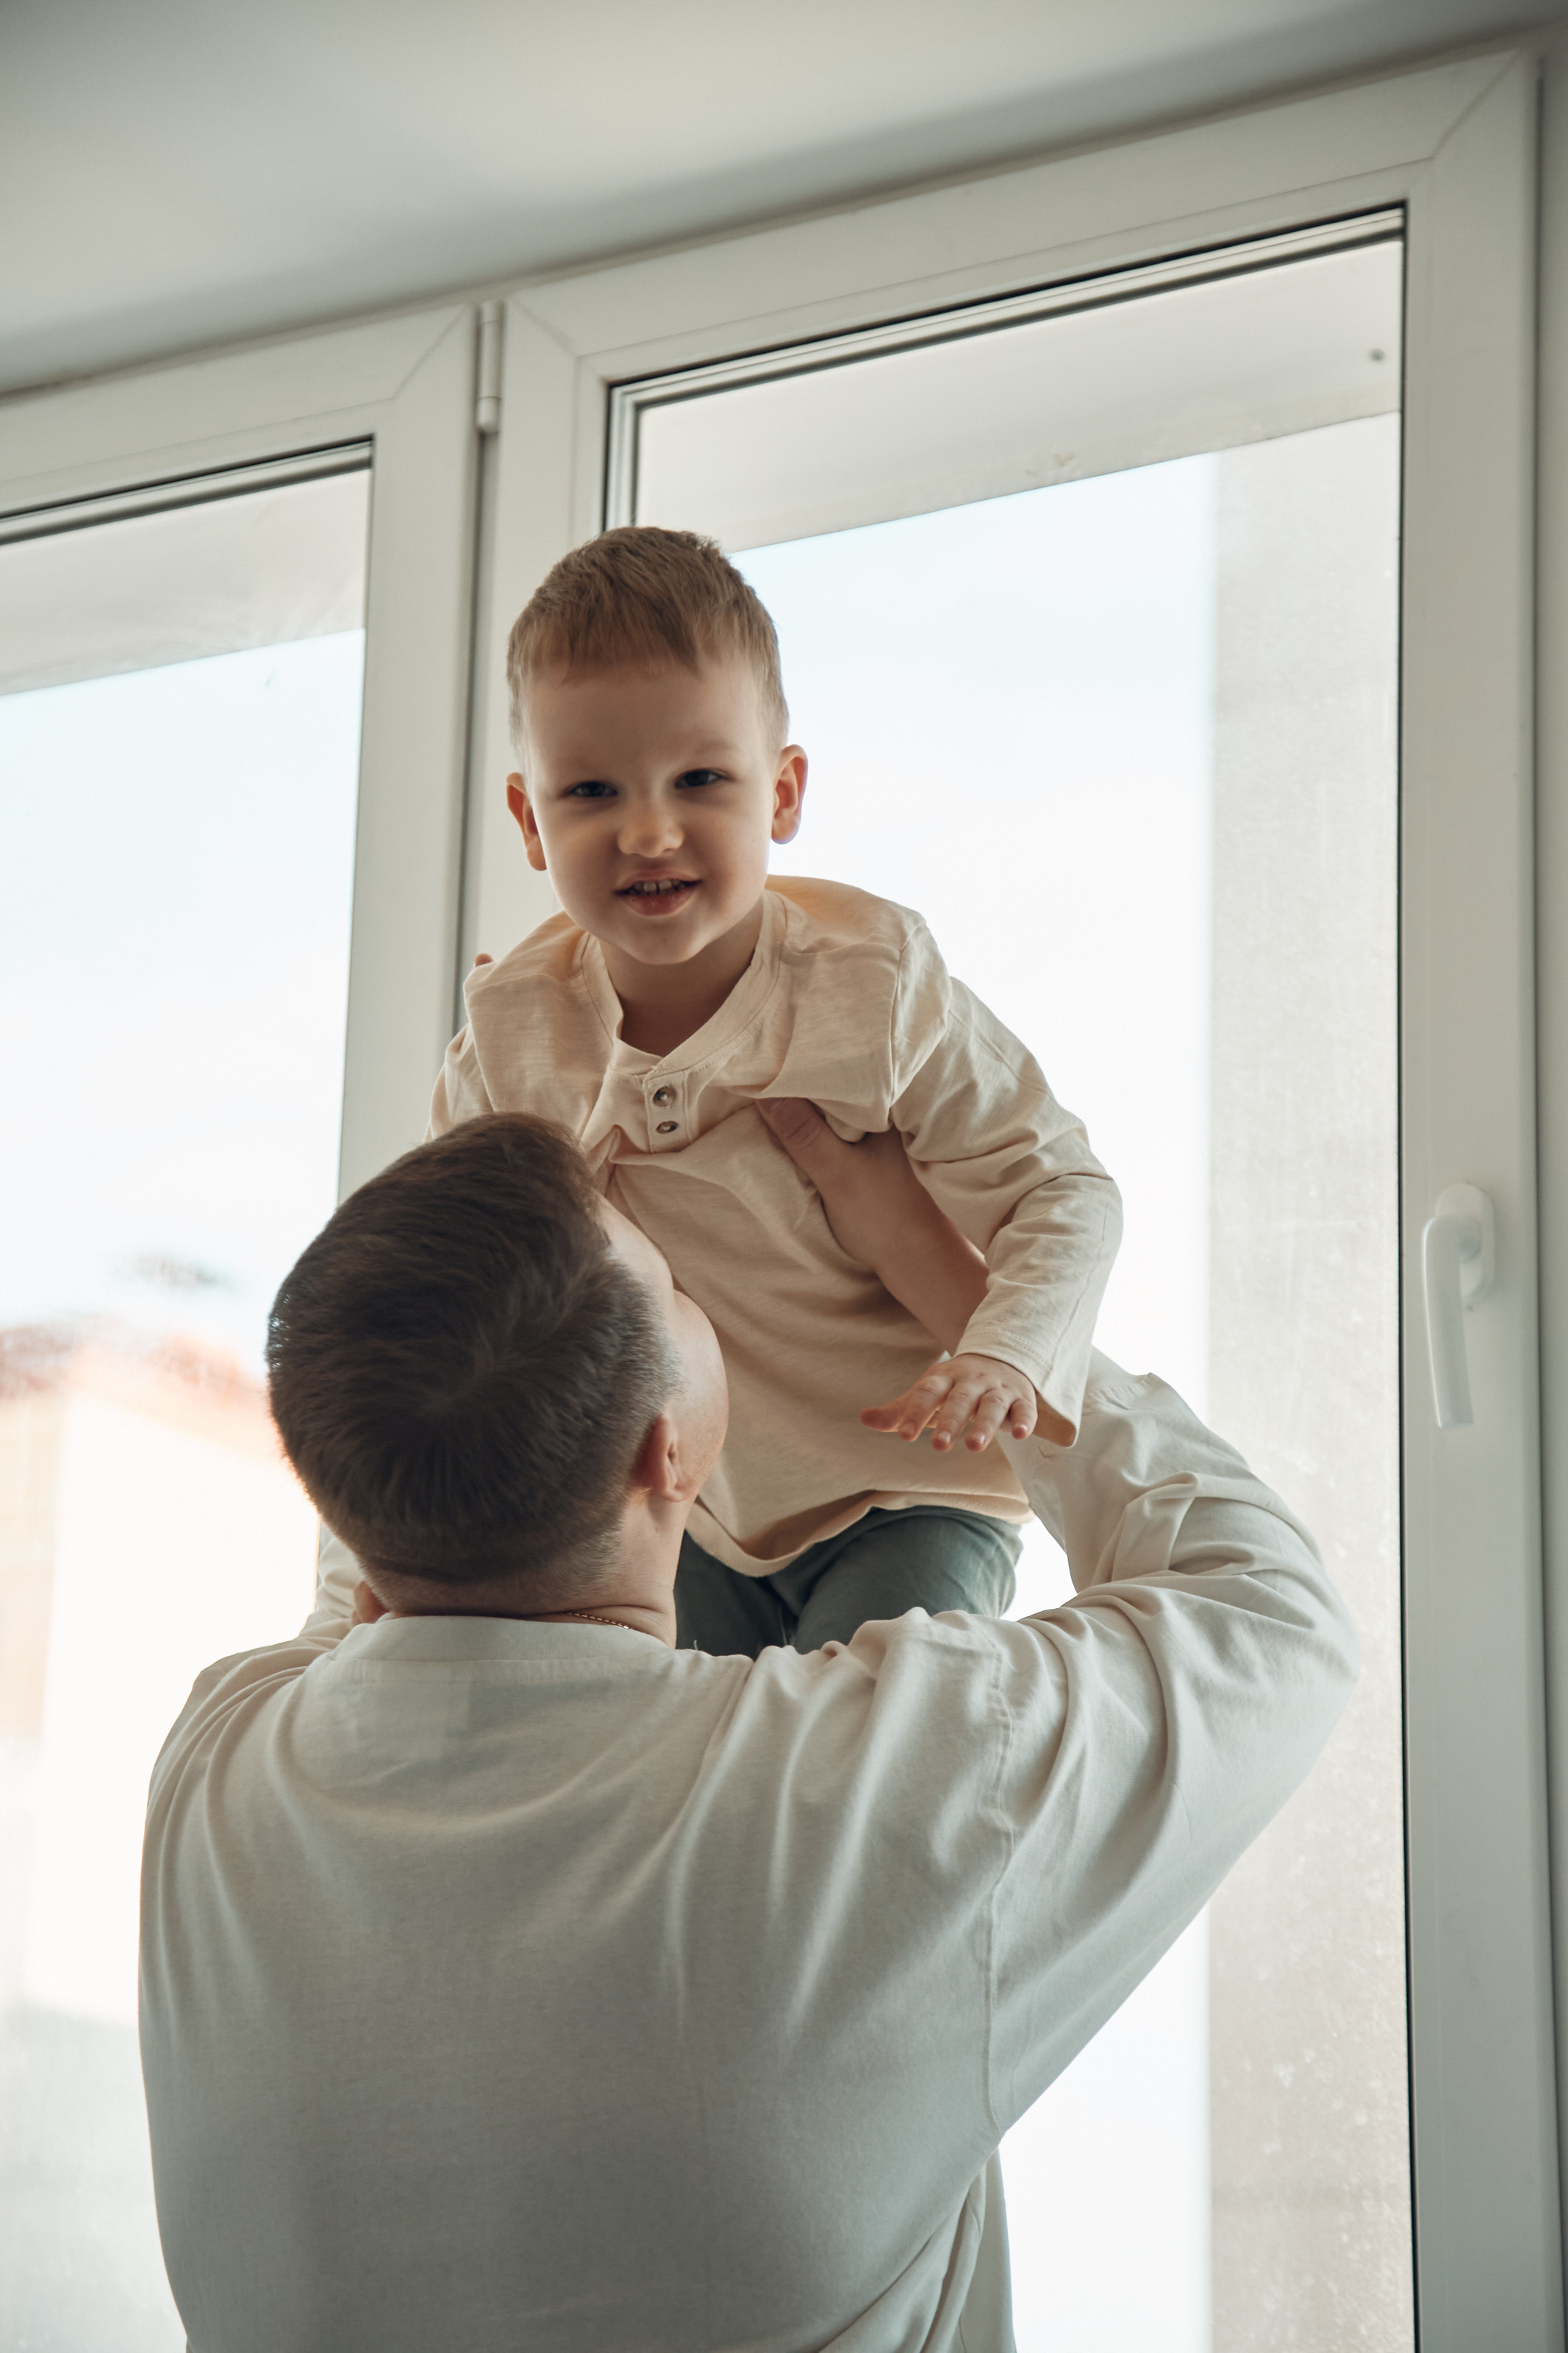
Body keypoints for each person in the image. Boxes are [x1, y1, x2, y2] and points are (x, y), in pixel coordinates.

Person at [140, 1104, 1357, 2353]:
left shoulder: (219, 1762)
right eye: (672, 1280)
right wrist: (969, 1298)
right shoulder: (891, 1781)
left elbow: (375, 1540)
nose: (692, 1277)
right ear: (668, 1452)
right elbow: (1270, 1615)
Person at [426, 525, 1123, 1654]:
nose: (649, 831)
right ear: (527, 820)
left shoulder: (873, 983)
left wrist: (999, 1352)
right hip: (692, 1511)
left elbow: (1066, 1192)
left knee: (864, 1729)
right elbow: (460, 1283)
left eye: (700, 779)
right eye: (592, 791)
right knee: (694, 1776)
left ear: (783, 791)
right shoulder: (511, 1038)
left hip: (913, 1483)